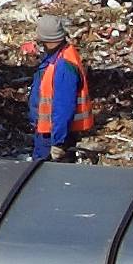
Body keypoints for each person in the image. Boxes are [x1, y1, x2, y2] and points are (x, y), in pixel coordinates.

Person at [29, 13, 91, 162]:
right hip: (46, 132)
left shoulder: (63, 66)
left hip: (53, 137)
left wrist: (58, 142)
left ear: (47, 40)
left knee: (46, 178)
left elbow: (64, 107)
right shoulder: (56, 57)